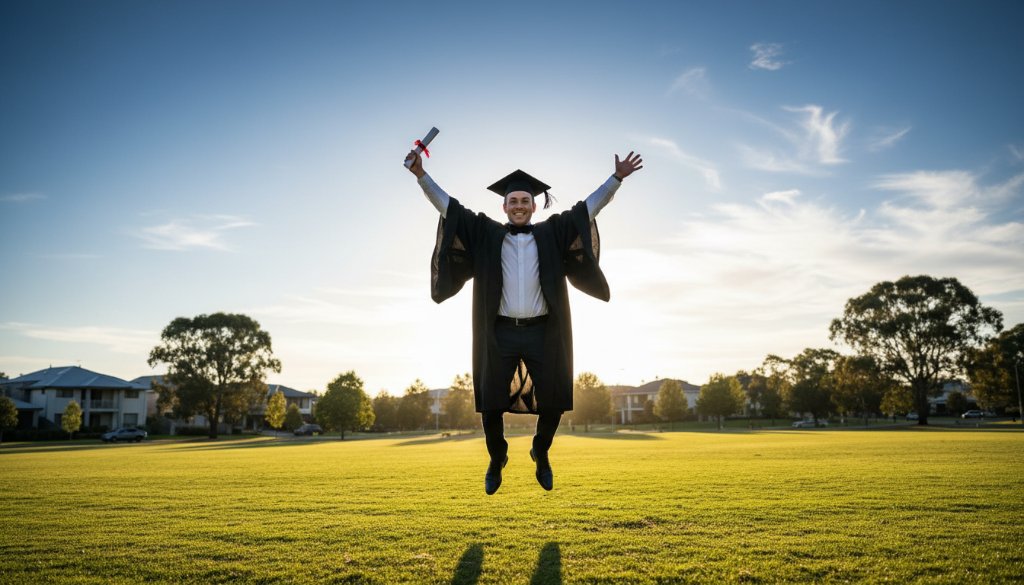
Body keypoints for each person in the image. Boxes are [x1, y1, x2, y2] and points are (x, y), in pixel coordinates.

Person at [404, 148, 643, 494]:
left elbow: (589, 207)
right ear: (504, 206)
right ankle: (496, 457)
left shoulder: (553, 233)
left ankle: (540, 451)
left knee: (556, 399)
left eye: (524, 201)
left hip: (543, 331)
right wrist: (421, 176)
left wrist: (617, 178)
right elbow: (448, 207)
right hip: (498, 331)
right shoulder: (485, 232)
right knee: (490, 402)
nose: (518, 205)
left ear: (534, 206)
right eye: (513, 200)